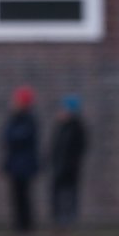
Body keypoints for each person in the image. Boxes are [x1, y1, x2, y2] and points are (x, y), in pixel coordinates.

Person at [2, 85, 40, 232]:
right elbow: (7, 136)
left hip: (24, 165)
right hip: (16, 164)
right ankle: (19, 224)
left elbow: (16, 137)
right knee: (16, 195)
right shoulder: (15, 118)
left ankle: (25, 225)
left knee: (24, 195)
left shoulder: (28, 120)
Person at [49, 95, 87, 227]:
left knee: (70, 192)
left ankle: (69, 217)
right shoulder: (60, 127)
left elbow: (80, 147)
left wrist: (72, 162)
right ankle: (58, 217)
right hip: (59, 166)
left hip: (70, 167)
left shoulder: (77, 128)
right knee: (58, 192)